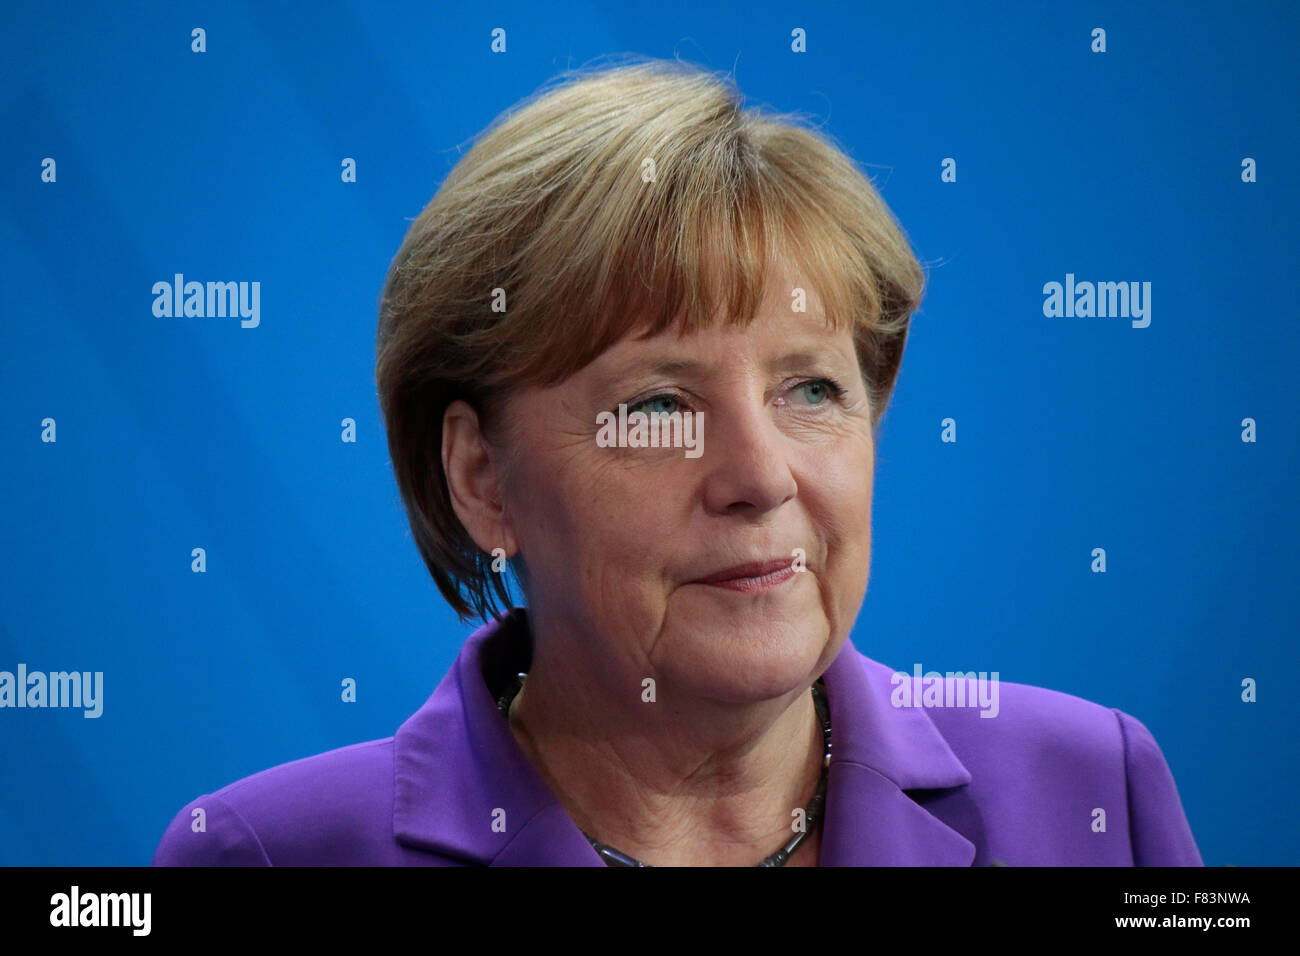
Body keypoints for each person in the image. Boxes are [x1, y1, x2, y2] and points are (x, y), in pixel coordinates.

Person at [152, 57, 1202, 867]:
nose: (761, 474)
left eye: (810, 389)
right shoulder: (270, 856)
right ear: (482, 477)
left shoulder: (1090, 790)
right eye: (658, 405)